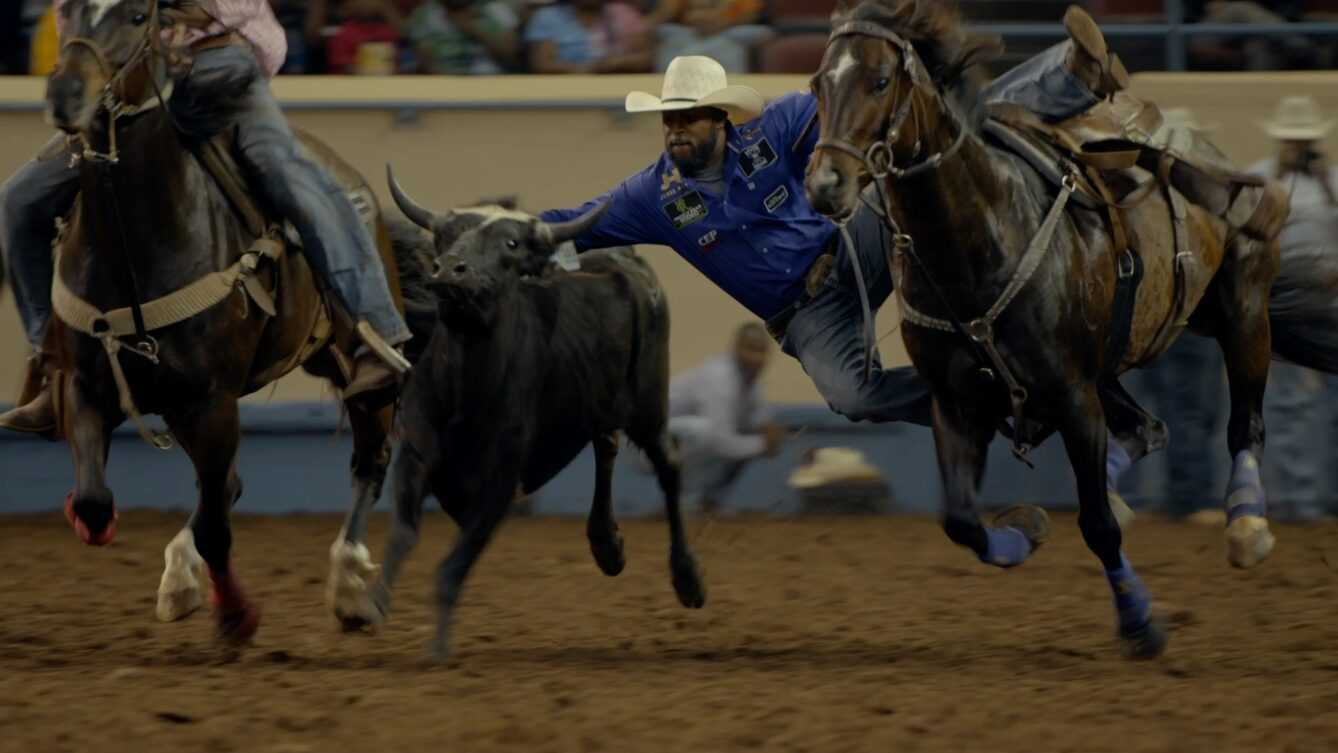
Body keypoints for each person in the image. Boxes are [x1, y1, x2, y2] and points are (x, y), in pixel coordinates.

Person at [539, 7, 1142, 506]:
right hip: (804, 313)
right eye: (669, 117)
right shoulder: (652, 197)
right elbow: (571, 224)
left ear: (721, 119)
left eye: (690, 116)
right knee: (852, 396)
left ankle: (1069, 77)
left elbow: (856, 103)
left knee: (927, 139)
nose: (676, 129)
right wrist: (498, 230)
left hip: (854, 245)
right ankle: (985, 404)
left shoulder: (774, 128)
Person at [0, 0, 413, 436]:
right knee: (19, 199)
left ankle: (376, 338)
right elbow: (72, 10)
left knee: (288, 172)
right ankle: (53, 364)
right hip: (122, 70)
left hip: (212, 62)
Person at [1125, 108, 1228, 526]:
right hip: (1188, 315)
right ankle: (1189, 497)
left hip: (1156, 315)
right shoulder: (1201, 198)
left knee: (1165, 407)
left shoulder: (1142, 196)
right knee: (1192, 410)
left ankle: (1150, 494)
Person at [1248, 95, 1338, 520]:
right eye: (1291, 140)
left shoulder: (1333, 182)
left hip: (1330, 298)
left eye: (1303, 141)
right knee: (1287, 404)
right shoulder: (1257, 182)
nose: (1297, 148)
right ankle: (1296, 500)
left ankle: (1323, 496)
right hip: (1281, 300)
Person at [666, 321, 785, 513]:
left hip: (677, 441)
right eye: (751, 349)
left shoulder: (751, 381)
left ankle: (707, 502)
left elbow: (763, 424)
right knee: (704, 433)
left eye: (761, 351)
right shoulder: (720, 378)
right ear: (736, 348)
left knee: (744, 439)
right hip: (645, 441)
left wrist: (777, 438)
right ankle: (683, 503)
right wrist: (763, 444)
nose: (756, 357)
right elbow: (720, 441)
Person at [524, 0, 652, 74]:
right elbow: (543, 64)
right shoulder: (547, 17)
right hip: (564, 90)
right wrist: (586, 70)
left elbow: (645, 59)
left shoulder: (624, 13)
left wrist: (616, 63)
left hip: (617, 87)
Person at [649, 0, 772, 73]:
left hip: (725, 92)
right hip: (677, 93)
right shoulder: (670, 33)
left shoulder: (738, 36)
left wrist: (723, 24)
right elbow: (646, 30)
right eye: (696, 10)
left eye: (707, 9)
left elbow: (767, 34)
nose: (701, 15)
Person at [408, 0, 521, 75]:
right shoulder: (424, 14)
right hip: (443, 85)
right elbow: (425, 61)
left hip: (492, 81)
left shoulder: (495, 9)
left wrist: (473, 29)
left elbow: (511, 54)